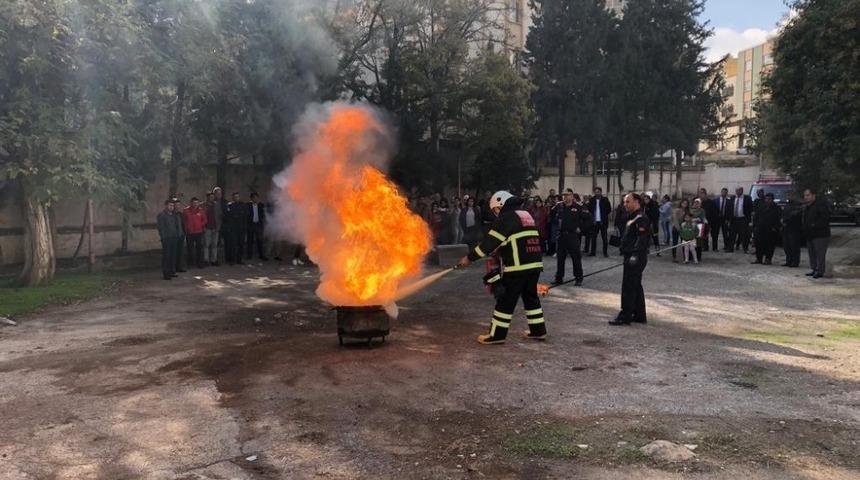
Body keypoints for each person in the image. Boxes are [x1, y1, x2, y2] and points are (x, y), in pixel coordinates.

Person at [458, 191, 546, 345]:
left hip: (517, 267)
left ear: (501, 204)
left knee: (505, 300)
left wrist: (469, 258)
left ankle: (497, 335)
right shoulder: (524, 214)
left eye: (496, 210)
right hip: (535, 264)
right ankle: (538, 331)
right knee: (531, 298)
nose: (496, 214)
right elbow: (516, 239)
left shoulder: (507, 217)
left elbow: (489, 243)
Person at [609, 193, 651, 326]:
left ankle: (625, 315)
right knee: (636, 285)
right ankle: (639, 315)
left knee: (628, 286)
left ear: (637, 202)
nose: (625, 204)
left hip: (635, 257)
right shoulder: (631, 217)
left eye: (628, 202)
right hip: (631, 255)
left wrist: (635, 255)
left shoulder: (641, 218)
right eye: (624, 202)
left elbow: (642, 239)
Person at [553, 189, 588, 287]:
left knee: (576, 258)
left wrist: (581, 228)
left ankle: (578, 278)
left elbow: (589, 219)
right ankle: (559, 278)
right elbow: (552, 216)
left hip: (572, 236)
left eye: (567, 195)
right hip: (561, 236)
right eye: (563, 195)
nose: (565, 197)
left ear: (572, 196)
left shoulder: (578, 207)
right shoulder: (559, 206)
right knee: (560, 258)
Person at [802, 188, 830, 279]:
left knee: (820, 253)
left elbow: (825, 218)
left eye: (808, 195)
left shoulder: (820, 205)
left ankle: (820, 270)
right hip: (810, 234)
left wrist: (814, 225)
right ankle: (814, 269)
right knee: (812, 253)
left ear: (813, 195)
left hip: (820, 234)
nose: (806, 197)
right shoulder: (807, 206)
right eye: (805, 195)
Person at [752, 193, 781, 265]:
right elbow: (756, 216)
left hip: (770, 230)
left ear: (772, 199)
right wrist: (755, 226)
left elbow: (779, 219)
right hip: (760, 228)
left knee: (769, 245)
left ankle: (768, 259)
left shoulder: (776, 208)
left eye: (769, 199)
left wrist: (775, 228)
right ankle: (759, 259)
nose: (767, 200)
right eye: (766, 199)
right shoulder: (762, 206)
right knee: (759, 244)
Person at [156, 200, 181, 280]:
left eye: (172, 206)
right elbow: (161, 228)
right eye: (170, 205)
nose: (171, 207)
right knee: (167, 256)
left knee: (173, 255)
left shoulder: (174, 215)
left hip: (174, 238)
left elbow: (177, 226)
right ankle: (166, 273)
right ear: (166, 206)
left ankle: (172, 271)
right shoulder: (162, 215)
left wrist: (177, 235)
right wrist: (163, 238)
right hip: (167, 239)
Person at [182, 197, 208, 269]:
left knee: (199, 248)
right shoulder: (186, 210)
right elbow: (183, 221)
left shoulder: (201, 210)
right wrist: (187, 227)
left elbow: (205, 220)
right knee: (190, 248)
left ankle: (200, 263)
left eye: (197, 203)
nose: (195, 204)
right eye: (194, 203)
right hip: (189, 233)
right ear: (191, 203)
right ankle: (190, 263)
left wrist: (200, 225)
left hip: (199, 232)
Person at [588, 187, 612, 257]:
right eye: (595, 192)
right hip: (594, 222)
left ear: (601, 192)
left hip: (603, 222)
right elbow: (589, 209)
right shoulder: (592, 200)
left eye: (598, 192)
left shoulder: (605, 199)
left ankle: (605, 252)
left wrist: (604, 216)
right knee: (593, 238)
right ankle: (593, 252)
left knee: (604, 238)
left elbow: (609, 209)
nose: (597, 193)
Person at [224, 192, 247, 265]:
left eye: (237, 197)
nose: (236, 198)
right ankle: (232, 260)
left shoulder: (243, 205)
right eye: (235, 197)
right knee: (233, 245)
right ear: (232, 198)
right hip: (233, 229)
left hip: (241, 228)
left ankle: (239, 260)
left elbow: (245, 216)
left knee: (241, 245)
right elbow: (227, 216)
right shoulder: (229, 205)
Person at [781, 190, 803, 268]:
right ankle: (789, 260)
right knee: (786, 245)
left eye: (791, 195)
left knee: (794, 245)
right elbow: (784, 214)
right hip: (786, 228)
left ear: (794, 196)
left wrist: (787, 220)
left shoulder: (798, 204)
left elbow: (795, 215)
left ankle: (795, 261)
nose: (789, 196)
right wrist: (783, 221)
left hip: (794, 228)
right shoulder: (787, 204)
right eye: (788, 195)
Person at [730, 187, 753, 253]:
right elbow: (730, 208)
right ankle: (730, 248)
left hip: (743, 219)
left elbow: (750, 208)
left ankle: (745, 248)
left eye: (739, 190)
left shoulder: (747, 198)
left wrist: (749, 220)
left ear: (742, 191)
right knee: (732, 234)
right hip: (734, 219)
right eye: (736, 190)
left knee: (744, 234)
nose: (737, 192)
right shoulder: (732, 198)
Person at [247, 192, 268, 261]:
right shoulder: (248, 205)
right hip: (251, 225)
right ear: (251, 198)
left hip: (258, 225)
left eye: (257, 197)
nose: (255, 199)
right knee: (250, 241)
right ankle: (249, 255)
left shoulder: (261, 205)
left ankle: (261, 255)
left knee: (260, 240)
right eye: (254, 198)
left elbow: (263, 215)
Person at [203, 192, 220, 266]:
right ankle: (206, 260)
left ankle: (214, 260)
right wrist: (203, 226)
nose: (212, 198)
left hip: (215, 228)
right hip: (207, 228)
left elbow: (220, 216)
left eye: (213, 197)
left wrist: (218, 227)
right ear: (207, 197)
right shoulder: (203, 205)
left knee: (214, 245)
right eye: (211, 197)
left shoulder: (217, 205)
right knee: (206, 245)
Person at [212, 187, 228, 264]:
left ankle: (227, 259)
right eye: (217, 193)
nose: (219, 195)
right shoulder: (212, 202)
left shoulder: (225, 202)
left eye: (220, 193)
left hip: (224, 226)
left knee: (226, 242)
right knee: (215, 244)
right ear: (214, 194)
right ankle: (215, 259)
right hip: (215, 226)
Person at [714, 188, 732, 252]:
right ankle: (715, 247)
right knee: (715, 233)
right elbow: (713, 210)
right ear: (721, 192)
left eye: (725, 192)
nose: (724, 193)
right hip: (717, 220)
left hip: (725, 219)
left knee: (725, 234)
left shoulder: (729, 201)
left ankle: (726, 246)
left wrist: (728, 220)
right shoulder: (716, 200)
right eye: (723, 192)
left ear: (727, 193)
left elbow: (730, 211)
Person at [172, 198, 186, 273]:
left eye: (178, 205)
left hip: (181, 235)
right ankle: (173, 268)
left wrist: (184, 233)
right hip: (174, 237)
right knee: (174, 253)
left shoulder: (180, 214)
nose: (177, 206)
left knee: (181, 252)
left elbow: (183, 224)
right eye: (176, 205)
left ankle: (179, 267)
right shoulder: (171, 214)